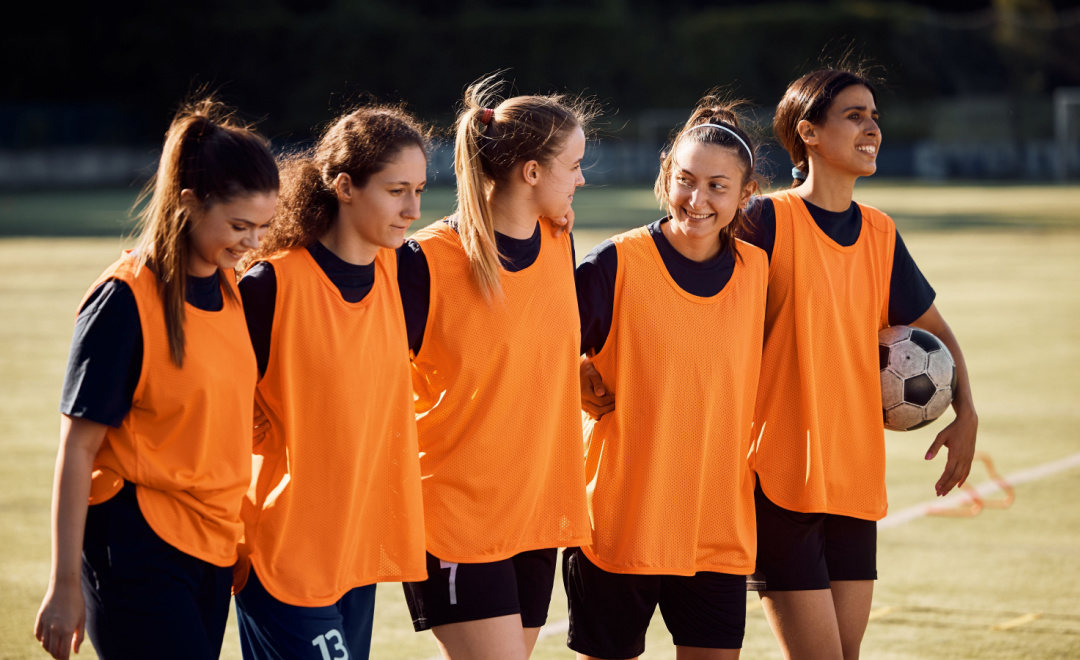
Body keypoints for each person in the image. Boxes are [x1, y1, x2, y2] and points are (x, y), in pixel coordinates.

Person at [742, 67, 979, 660]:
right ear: (810, 133)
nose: (871, 126)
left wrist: (967, 412)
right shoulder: (766, 223)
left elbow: (937, 334)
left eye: (874, 115)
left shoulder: (880, 232)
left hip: (853, 481)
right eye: (854, 115)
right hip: (780, 482)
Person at [33, 98, 279, 660]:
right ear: (189, 203)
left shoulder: (231, 291)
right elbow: (77, 450)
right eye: (239, 226)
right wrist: (64, 584)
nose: (252, 244)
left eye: (262, 227)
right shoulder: (123, 300)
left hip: (214, 550)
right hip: (137, 546)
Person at [399, 74, 593, 660]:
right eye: (575, 165)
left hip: (535, 510)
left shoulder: (559, 240)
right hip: (458, 515)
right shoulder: (426, 261)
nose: (583, 179)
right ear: (531, 172)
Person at [569, 97, 766, 660]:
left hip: (717, 527)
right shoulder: (615, 265)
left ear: (745, 195)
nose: (696, 200)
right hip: (619, 524)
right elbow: (532, 349)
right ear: (665, 178)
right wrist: (572, 371)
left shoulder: (759, 273)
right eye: (684, 180)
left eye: (717, 187)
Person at [233, 106, 430, 660]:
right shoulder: (270, 285)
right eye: (396, 191)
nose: (413, 209)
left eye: (418, 189)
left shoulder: (404, 275)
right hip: (284, 554)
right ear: (344, 186)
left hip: (354, 556)